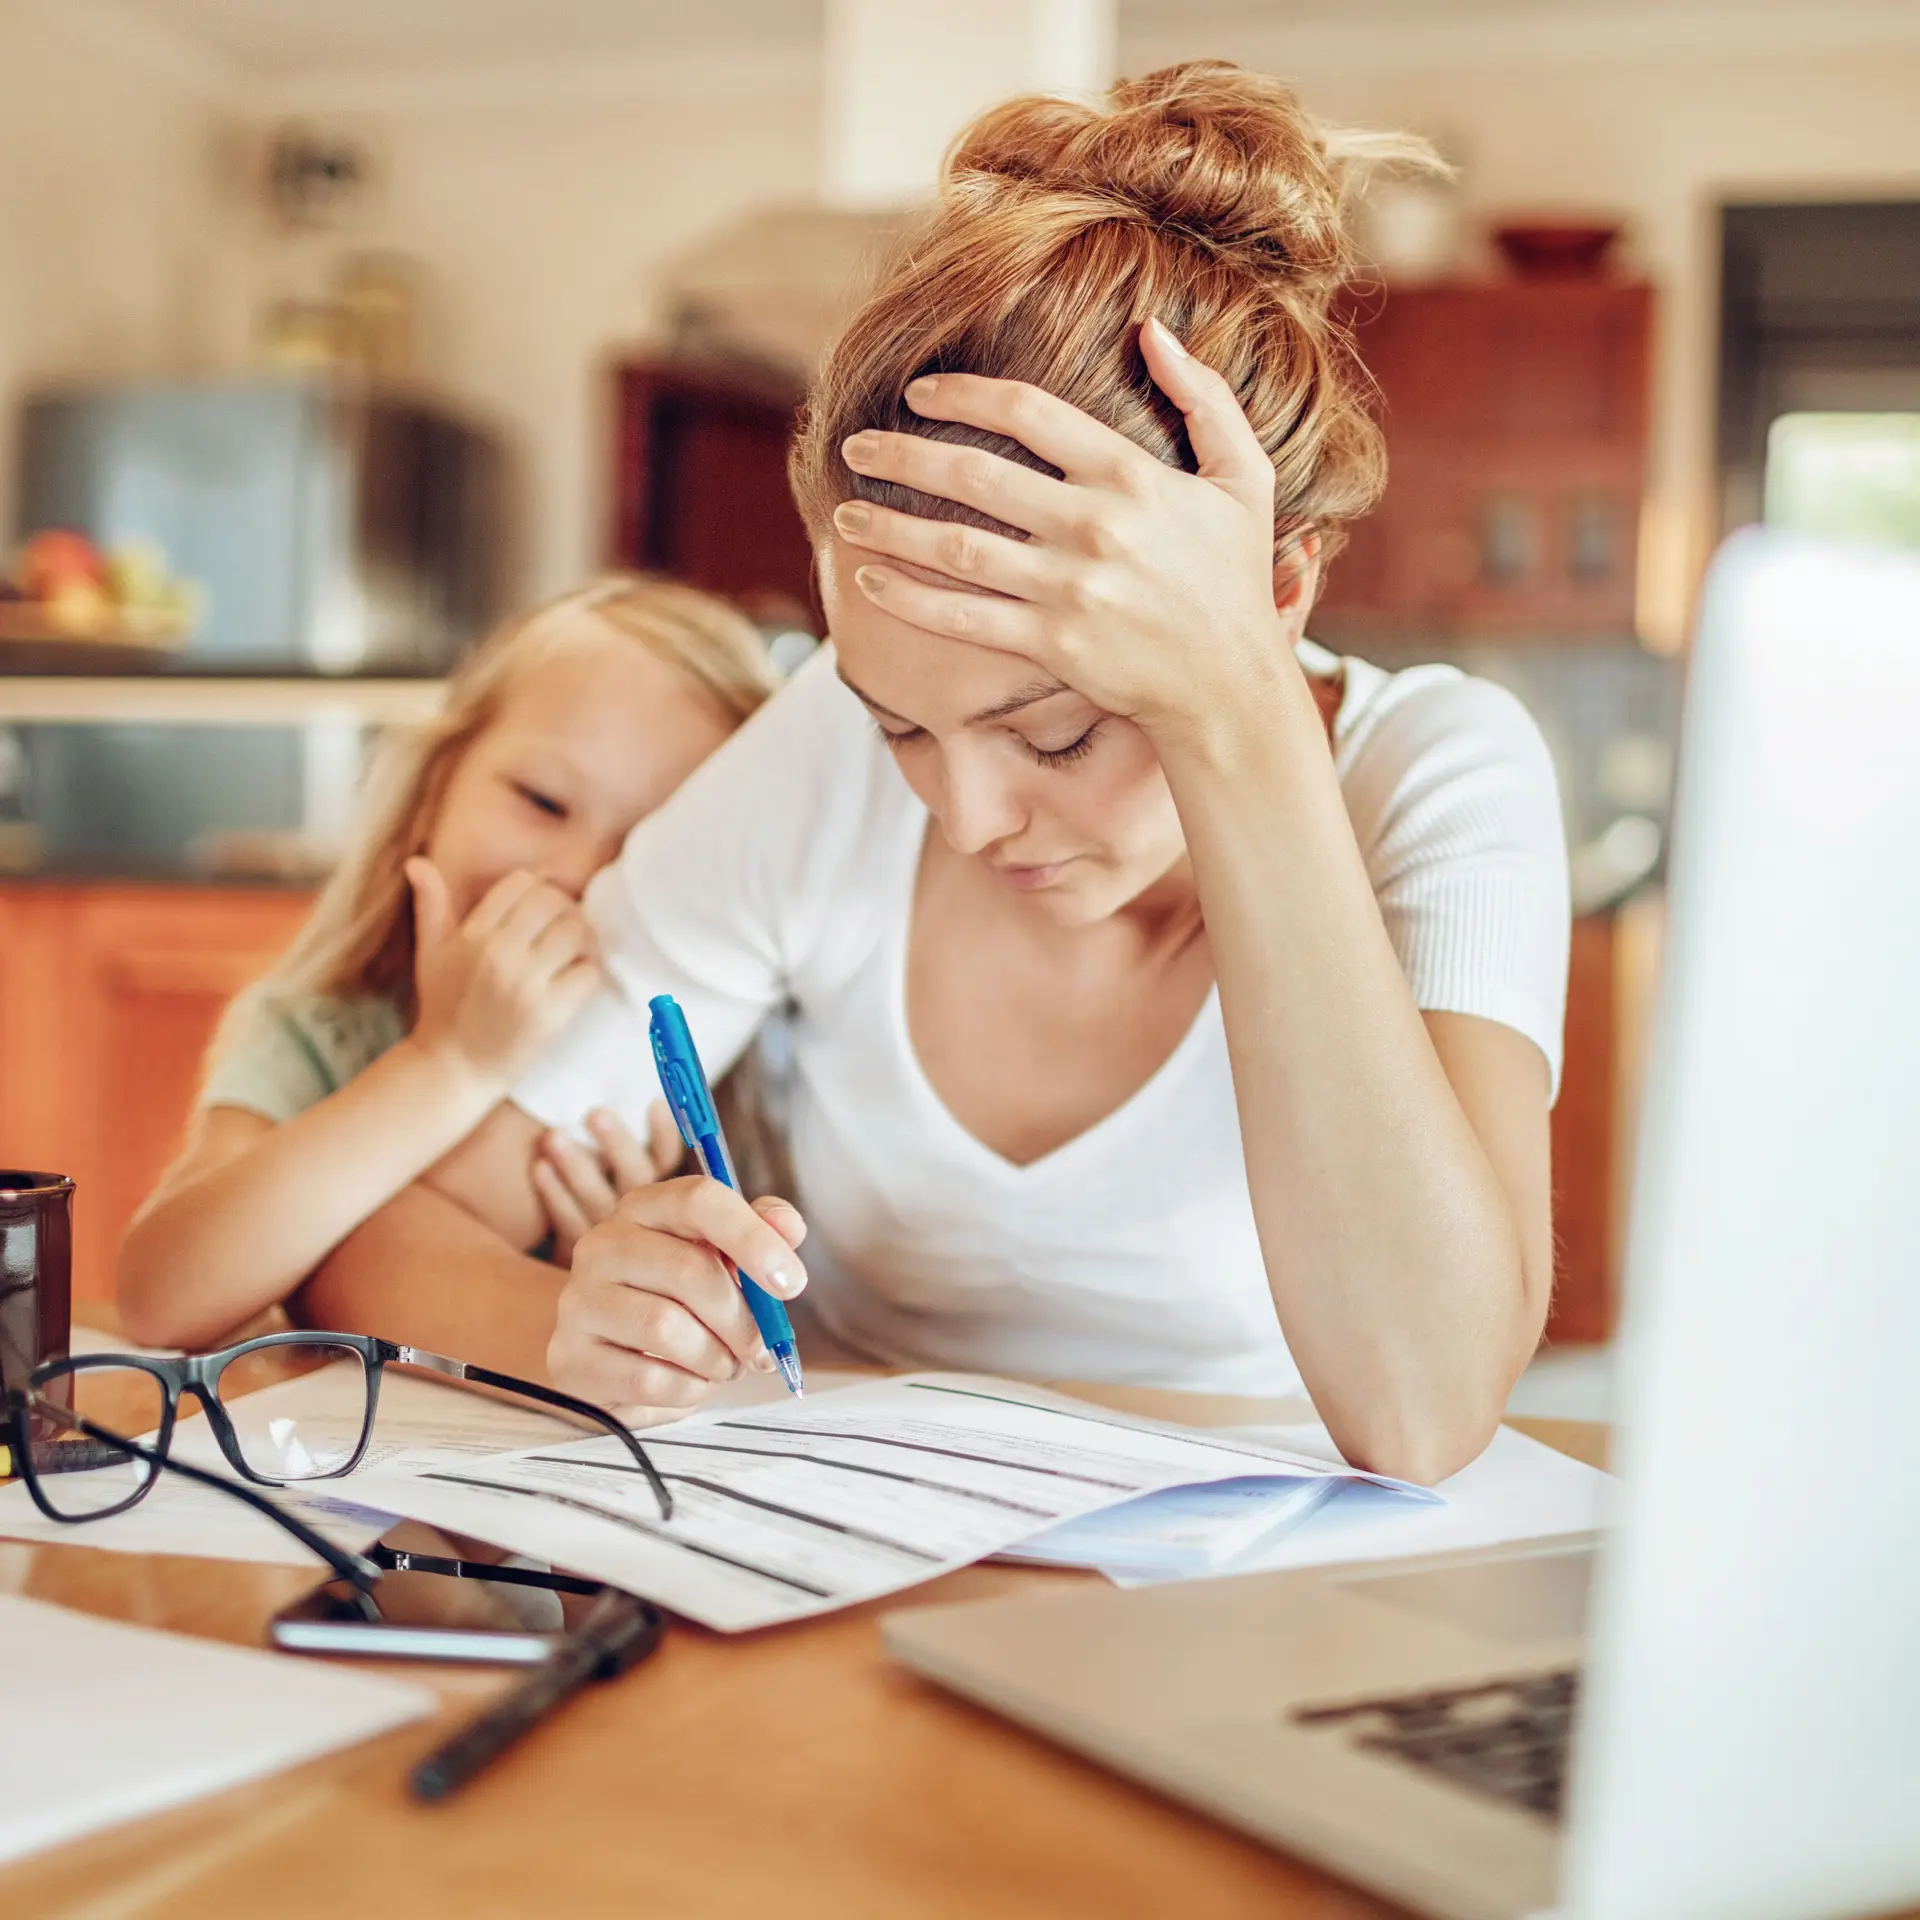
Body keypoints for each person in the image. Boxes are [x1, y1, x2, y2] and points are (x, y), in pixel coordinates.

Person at [303, 62, 1570, 1484]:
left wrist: (1243, 726)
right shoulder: (818, 762)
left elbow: (1426, 1409)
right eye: (902, 726)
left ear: (1274, 593)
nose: (963, 817)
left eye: (1056, 734)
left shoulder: (1435, 773)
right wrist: (577, 1322)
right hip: (853, 1568)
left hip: (1256, 1605)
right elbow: (385, 1236)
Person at [116, 576, 779, 1352]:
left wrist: (612, 1268)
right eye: (542, 800)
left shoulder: (734, 1067)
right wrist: (452, 1061)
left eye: (646, 850)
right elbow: (160, 1297)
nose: (579, 873)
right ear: (435, 787)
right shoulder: (323, 1028)